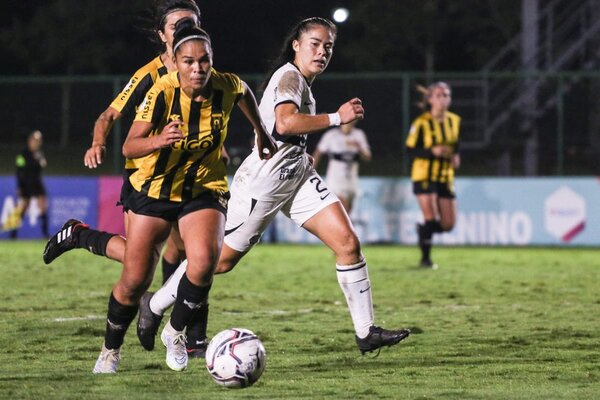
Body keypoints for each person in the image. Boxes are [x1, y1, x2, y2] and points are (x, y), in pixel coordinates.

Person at [138, 17, 410, 358]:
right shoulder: (290, 77)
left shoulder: (302, 82)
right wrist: (337, 117)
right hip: (262, 184)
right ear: (296, 44)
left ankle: (366, 332)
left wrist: (301, 153)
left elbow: (285, 132)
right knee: (217, 263)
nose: (322, 51)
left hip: (295, 178)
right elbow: (284, 124)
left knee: (348, 243)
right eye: (314, 43)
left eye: (328, 46)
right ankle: (155, 303)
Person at [92, 20, 276, 374]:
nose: (197, 68)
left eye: (204, 60)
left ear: (211, 59)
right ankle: (110, 351)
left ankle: (175, 333)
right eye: (189, 62)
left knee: (205, 261)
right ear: (176, 63)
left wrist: (261, 133)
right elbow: (130, 145)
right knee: (134, 281)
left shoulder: (226, 84)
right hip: (156, 188)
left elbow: (244, 94)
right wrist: (159, 140)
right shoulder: (161, 91)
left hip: (203, 188)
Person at [43, 0, 202, 285]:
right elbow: (108, 115)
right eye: (176, 26)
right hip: (147, 177)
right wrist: (97, 143)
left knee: (186, 248)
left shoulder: (201, 70)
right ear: (162, 35)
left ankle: (166, 314)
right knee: (138, 259)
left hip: (183, 174)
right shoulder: (149, 75)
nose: (184, 30)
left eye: (190, 24)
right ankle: (79, 234)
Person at [405, 81, 461, 269]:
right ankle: (426, 259)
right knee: (430, 216)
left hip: (445, 176)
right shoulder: (421, 123)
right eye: (438, 95)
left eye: (446, 95)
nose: (443, 99)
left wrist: (455, 156)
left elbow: (456, 145)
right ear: (430, 99)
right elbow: (409, 151)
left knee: (448, 224)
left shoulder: (455, 121)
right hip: (423, 175)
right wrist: (431, 151)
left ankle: (423, 231)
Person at [312, 120, 371, 214]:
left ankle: (336, 227)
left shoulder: (358, 135)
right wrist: (311, 170)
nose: (349, 125)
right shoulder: (331, 135)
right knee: (342, 207)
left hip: (351, 180)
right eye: (347, 123)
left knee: (348, 211)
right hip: (335, 180)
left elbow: (368, 157)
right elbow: (318, 152)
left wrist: (359, 147)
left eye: (351, 123)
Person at [9, 130, 49, 239]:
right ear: (30, 141)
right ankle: (13, 234)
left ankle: (45, 235)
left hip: (37, 183)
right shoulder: (22, 155)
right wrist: (19, 186)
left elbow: (42, 165)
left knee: (43, 206)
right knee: (22, 209)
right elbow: (18, 170)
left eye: (39, 141)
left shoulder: (39, 154)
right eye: (35, 140)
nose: (37, 143)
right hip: (26, 184)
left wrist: (41, 160)